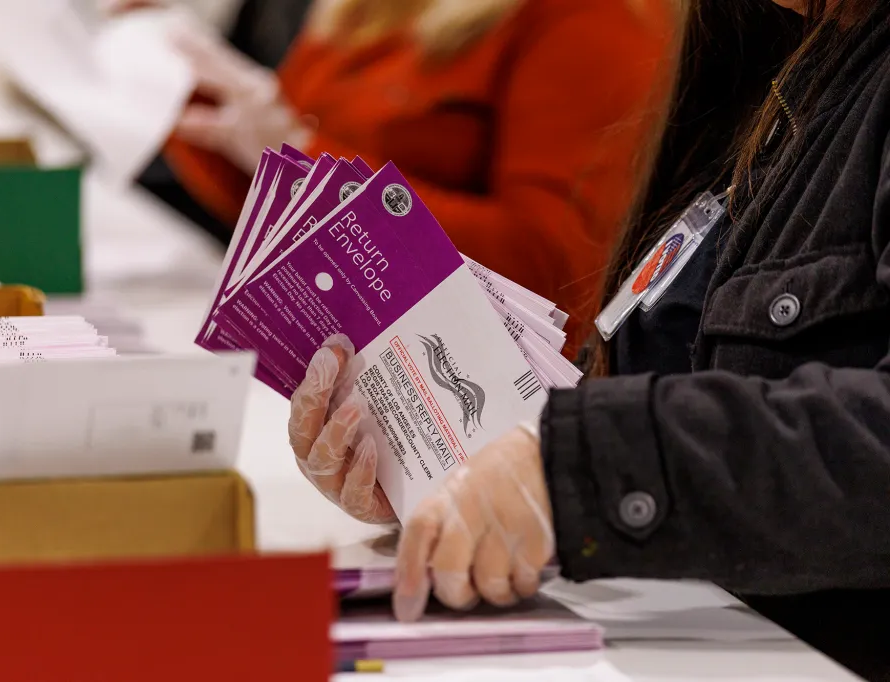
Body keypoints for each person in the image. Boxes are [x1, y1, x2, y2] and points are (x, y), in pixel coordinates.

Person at [287, 0, 890, 679]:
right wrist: (438, 462)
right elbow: (659, 368)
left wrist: (576, 467)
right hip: (672, 639)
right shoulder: (778, 54)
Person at [163, 0, 675, 346]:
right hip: (341, 349)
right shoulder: (369, 9)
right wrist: (173, 92)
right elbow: (272, 196)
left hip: (470, 401)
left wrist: (305, 155)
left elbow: (556, 277)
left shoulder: (593, 16)